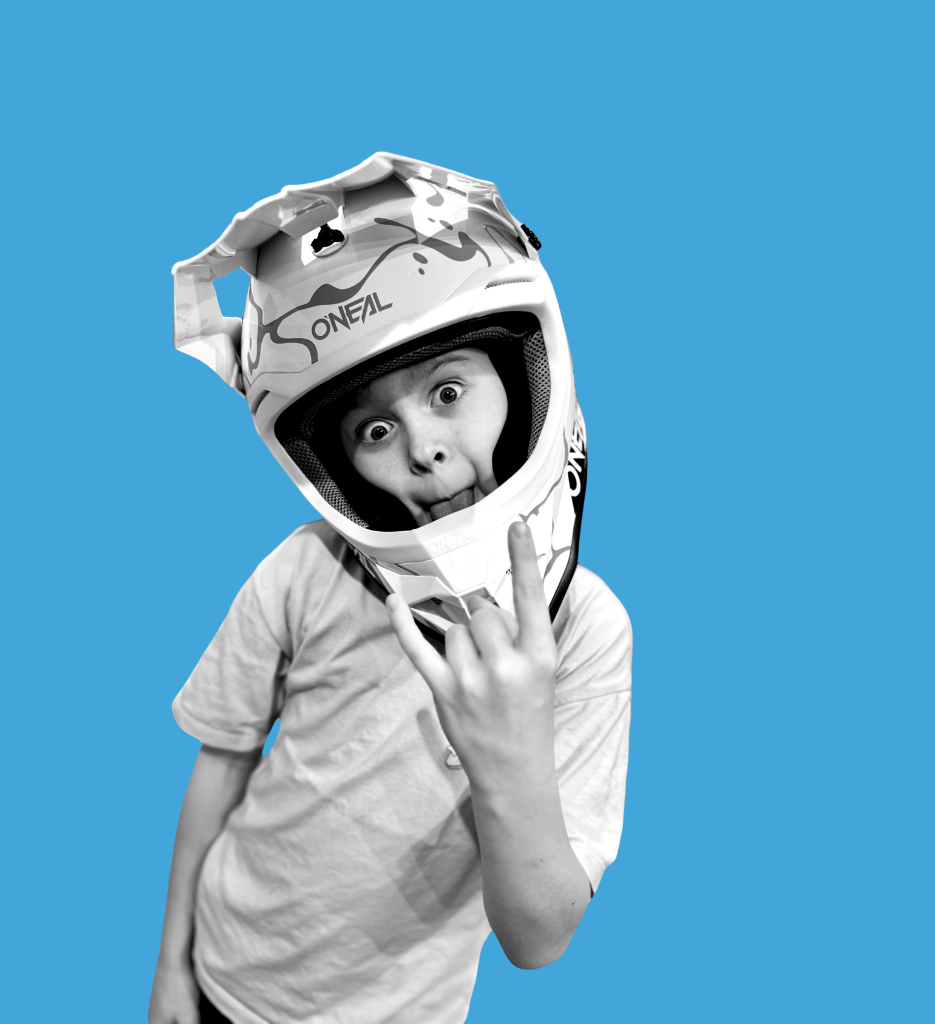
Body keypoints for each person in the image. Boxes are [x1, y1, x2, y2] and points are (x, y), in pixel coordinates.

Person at [150, 154, 632, 1024]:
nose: (423, 449)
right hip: (226, 971)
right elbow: (223, 760)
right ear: (338, 468)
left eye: (448, 391)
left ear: (521, 379)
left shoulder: (586, 630)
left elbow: (539, 939)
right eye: (374, 430)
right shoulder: (307, 569)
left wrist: (507, 755)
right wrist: (170, 965)